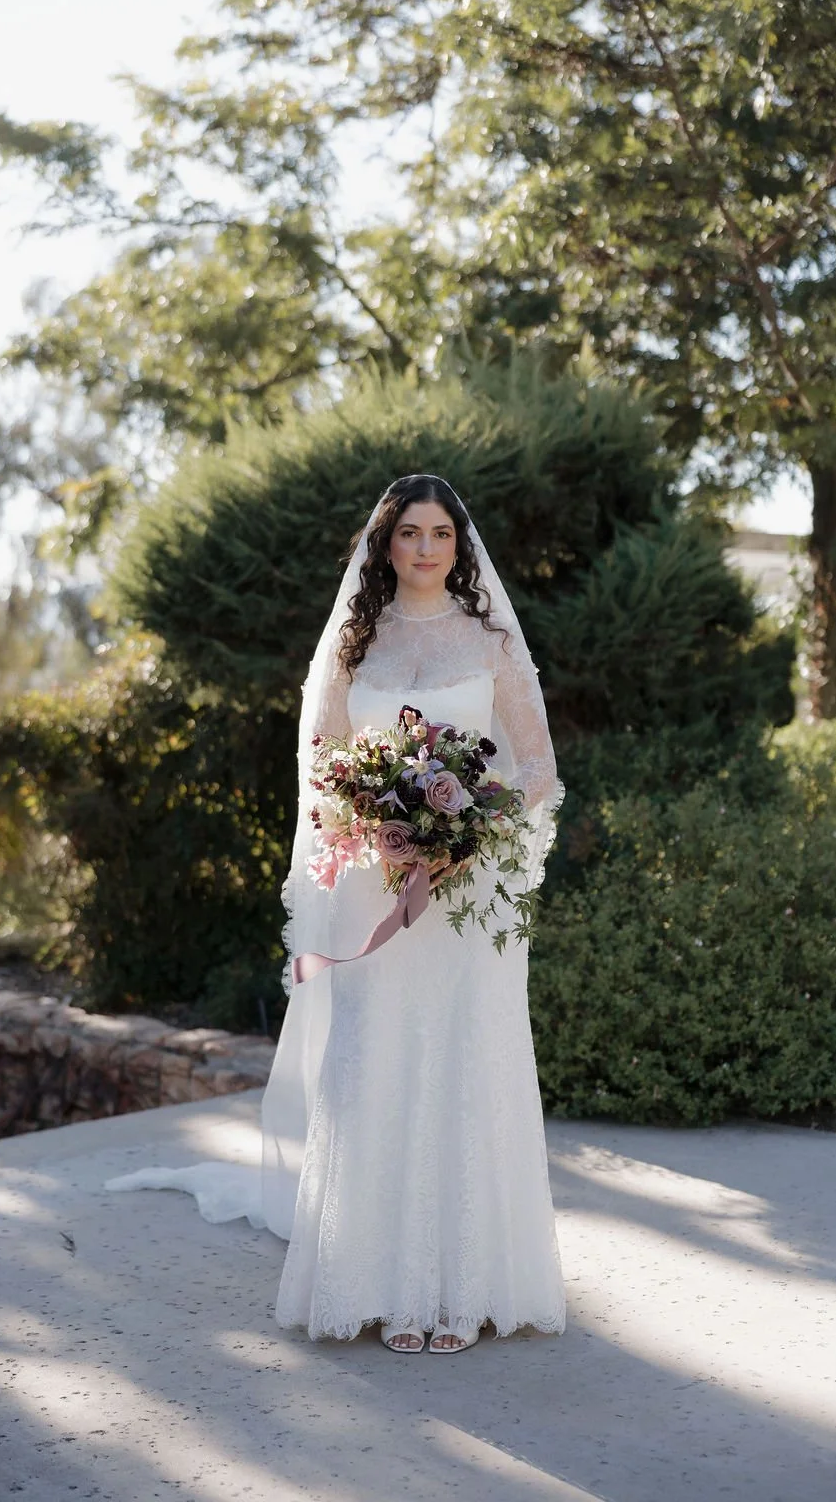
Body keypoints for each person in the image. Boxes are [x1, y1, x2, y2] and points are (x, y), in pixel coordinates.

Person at [107, 475, 566, 1354]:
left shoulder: (491, 640)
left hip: (467, 900)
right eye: (409, 534)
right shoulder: (354, 646)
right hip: (372, 890)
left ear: (459, 549)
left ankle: (458, 1293)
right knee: (375, 1069)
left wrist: (468, 835)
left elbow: (538, 766)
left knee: (466, 1066)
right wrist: (378, 830)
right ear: (384, 544)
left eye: (441, 535)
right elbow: (321, 768)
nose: (426, 549)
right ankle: (381, 1287)